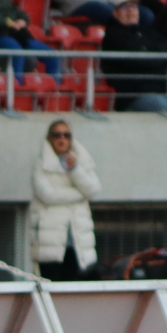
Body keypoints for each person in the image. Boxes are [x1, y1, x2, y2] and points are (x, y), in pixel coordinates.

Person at [31, 119, 98, 279]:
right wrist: (80, 194)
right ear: (50, 138)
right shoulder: (41, 164)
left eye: (66, 135)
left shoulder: (81, 161)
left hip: (78, 242)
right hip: (50, 243)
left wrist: (75, 170)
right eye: (57, 135)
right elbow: (48, 195)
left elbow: (93, 190)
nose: (62, 139)